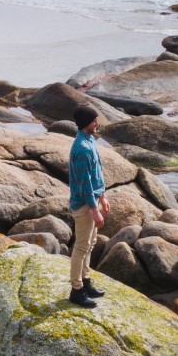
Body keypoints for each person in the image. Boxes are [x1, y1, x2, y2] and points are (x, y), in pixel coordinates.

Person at [66, 104, 109, 306]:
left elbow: (97, 173)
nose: (97, 123)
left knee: (90, 244)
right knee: (82, 246)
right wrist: (94, 210)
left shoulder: (90, 140)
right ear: (87, 123)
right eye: (94, 120)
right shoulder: (81, 149)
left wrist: (104, 197)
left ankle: (85, 280)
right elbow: (85, 185)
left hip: (94, 200)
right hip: (84, 205)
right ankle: (76, 290)